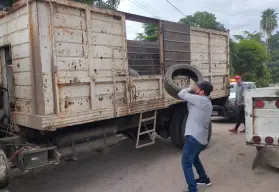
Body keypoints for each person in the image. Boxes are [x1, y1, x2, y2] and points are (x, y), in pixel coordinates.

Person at [178, 81, 213, 192]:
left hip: (194, 138)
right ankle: (204, 179)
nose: (195, 89)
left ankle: (192, 189)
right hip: (201, 139)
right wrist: (192, 92)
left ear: (202, 92)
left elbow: (181, 94)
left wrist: (188, 88)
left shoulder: (200, 100)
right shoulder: (205, 101)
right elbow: (188, 101)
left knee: (186, 163)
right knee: (194, 158)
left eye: (197, 88)